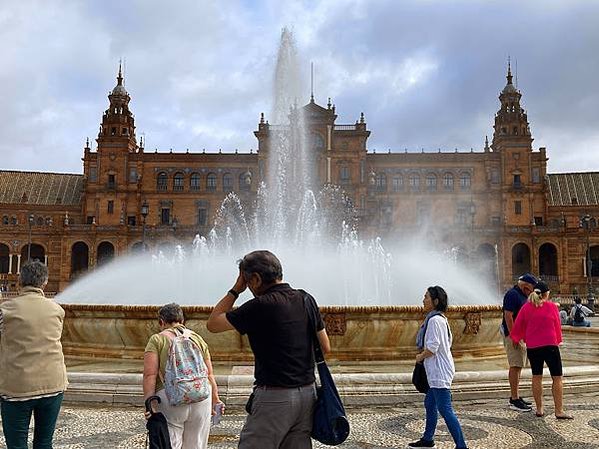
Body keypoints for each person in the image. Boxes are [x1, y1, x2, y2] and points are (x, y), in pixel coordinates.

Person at [207, 250, 331, 449]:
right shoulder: (306, 299)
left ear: (255, 279)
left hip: (275, 396)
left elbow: (213, 323)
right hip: (308, 394)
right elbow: (325, 346)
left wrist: (235, 290)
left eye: (247, 282)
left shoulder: (259, 306)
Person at [0, 261, 68, 449]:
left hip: (17, 387)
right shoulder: (57, 310)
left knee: (16, 444)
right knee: (44, 443)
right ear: (44, 283)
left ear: (20, 281)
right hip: (53, 385)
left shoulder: (5, 310)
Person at [143, 303, 222, 449]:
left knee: (171, 443)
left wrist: (150, 404)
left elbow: (150, 375)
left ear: (161, 321)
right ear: (183, 321)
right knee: (196, 445)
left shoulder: (157, 339)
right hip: (201, 397)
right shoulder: (197, 338)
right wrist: (215, 399)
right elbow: (209, 373)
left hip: (170, 398)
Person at [408, 286, 468, 449]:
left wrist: (420, 357)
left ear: (435, 301)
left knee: (445, 409)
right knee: (430, 403)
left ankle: (462, 446)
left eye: (426, 297)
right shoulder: (439, 318)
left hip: (439, 371)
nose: (423, 299)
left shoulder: (434, 321)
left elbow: (432, 347)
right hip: (436, 370)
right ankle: (428, 439)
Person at [510, 281, 573, 419]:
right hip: (550, 346)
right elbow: (557, 326)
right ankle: (559, 410)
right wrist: (558, 340)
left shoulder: (526, 307)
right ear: (546, 294)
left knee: (536, 377)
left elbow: (518, 325)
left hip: (533, 347)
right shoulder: (551, 307)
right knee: (557, 378)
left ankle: (539, 409)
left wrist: (516, 339)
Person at [501, 273, 538, 412]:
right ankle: (514, 399)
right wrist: (514, 336)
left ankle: (516, 396)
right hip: (514, 335)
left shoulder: (522, 295)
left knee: (519, 365)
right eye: (531, 288)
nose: (532, 291)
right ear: (525, 285)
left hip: (521, 335)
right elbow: (508, 316)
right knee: (515, 365)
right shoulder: (512, 294)